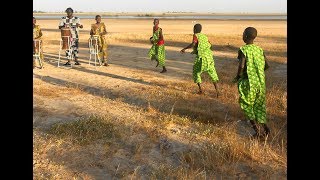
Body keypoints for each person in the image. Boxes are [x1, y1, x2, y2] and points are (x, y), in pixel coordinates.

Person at [233, 27, 270, 138]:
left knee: (247, 105)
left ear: (245, 36)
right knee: (259, 106)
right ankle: (266, 129)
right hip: (260, 83)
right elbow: (266, 65)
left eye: (243, 33)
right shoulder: (260, 50)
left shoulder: (243, 50)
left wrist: (238, 76)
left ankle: (257, 131)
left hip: (248, 83)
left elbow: (242, 65)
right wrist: (257, 72)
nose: (242, 35)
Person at [180, 23, 220, 97]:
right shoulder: (204, 36)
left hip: (202, 58)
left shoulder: (196, 35)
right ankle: (218, 92)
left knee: (196, 72)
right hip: (209, 57)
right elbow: (210, 44)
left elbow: (193, 44)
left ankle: (201, 90)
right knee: (212, 73)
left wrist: (184, 48)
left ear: (194, 29)